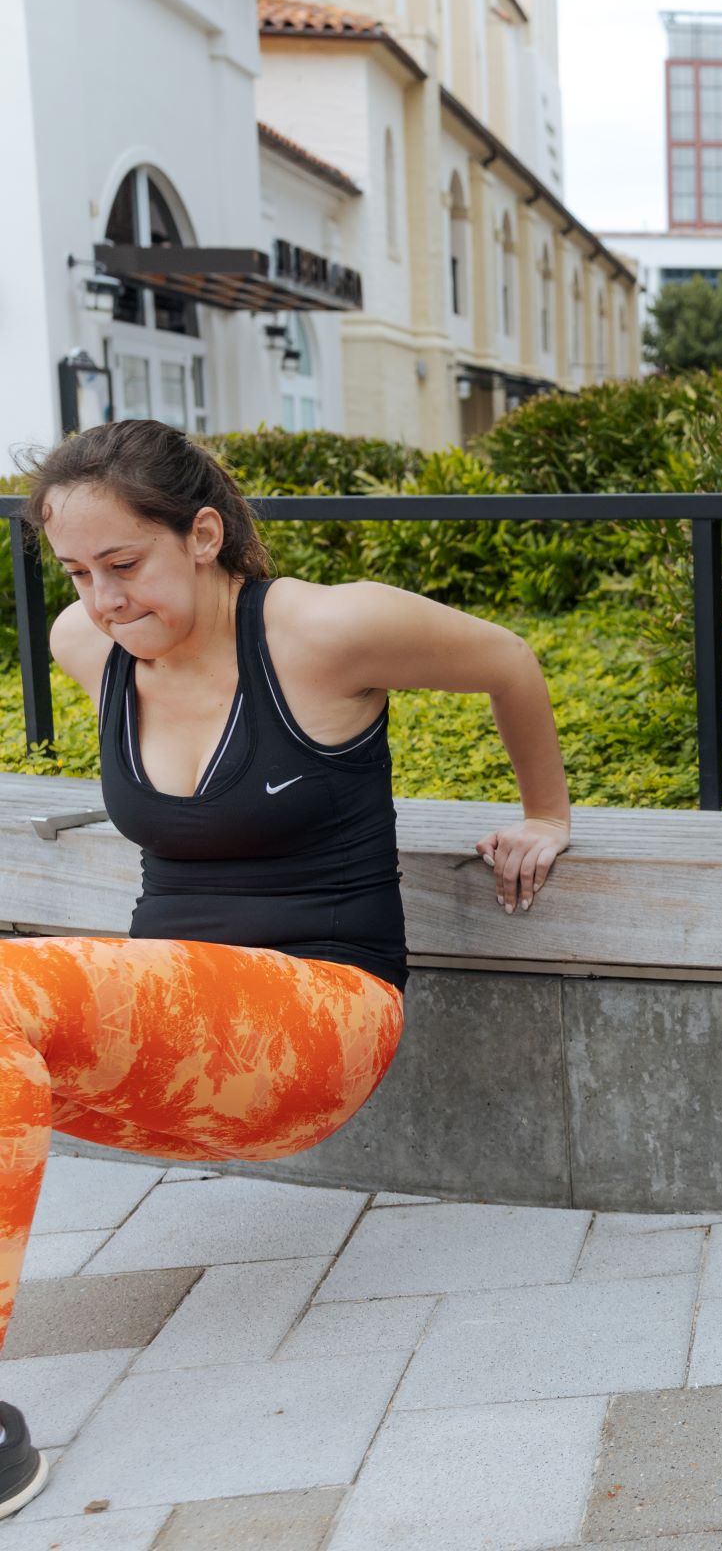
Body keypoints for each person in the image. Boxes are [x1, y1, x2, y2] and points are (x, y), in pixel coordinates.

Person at [0, 420, 571, 1517]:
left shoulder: (321, 629)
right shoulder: (90, 645)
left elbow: (507, 656)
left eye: (125, 565)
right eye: (77, 573)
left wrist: (544, 813)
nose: (104, 600)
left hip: (325, 1025)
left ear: (204, 532)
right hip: (177, 1047)